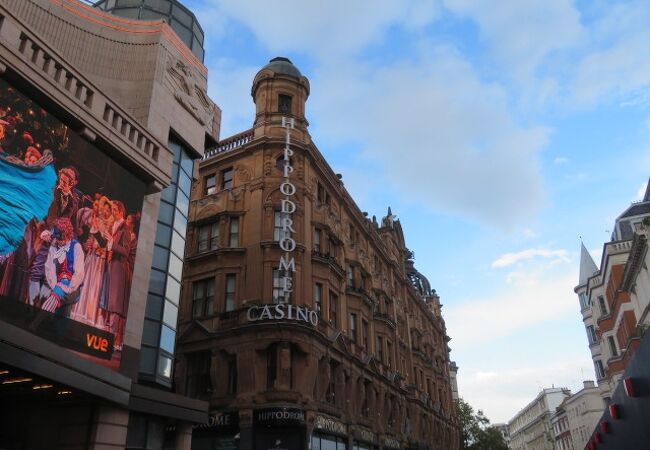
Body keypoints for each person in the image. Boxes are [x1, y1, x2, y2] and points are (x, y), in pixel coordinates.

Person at [41, 217, 84, 316]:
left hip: (72, 288)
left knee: (59, 293)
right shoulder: (54, 245)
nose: (58, 241)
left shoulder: (76, 247)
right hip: (57, 286)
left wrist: (68, 288)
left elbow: (79, 274)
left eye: (61, 239)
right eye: (57, 238)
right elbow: (49, 268)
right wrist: (54, 286)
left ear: (67, 235)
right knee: (61, 313)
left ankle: (35, 323)